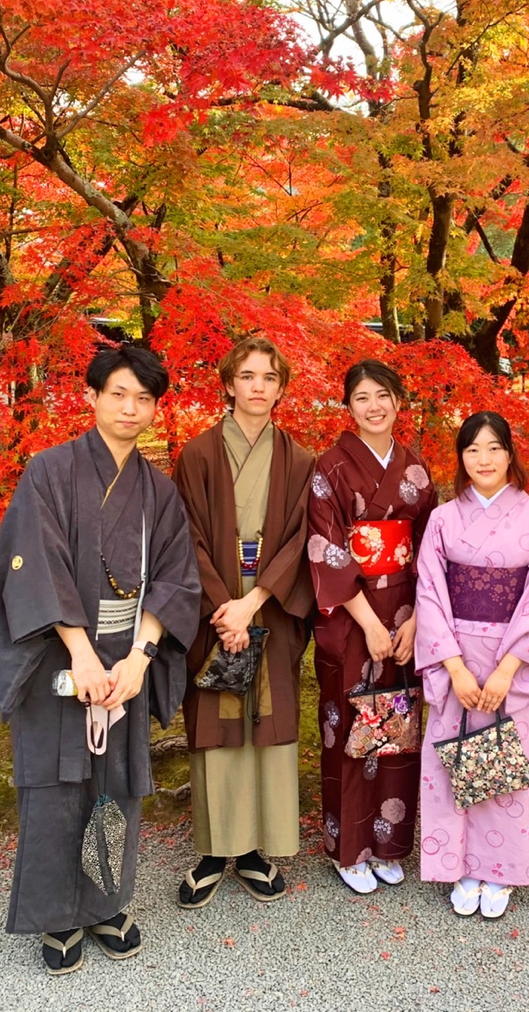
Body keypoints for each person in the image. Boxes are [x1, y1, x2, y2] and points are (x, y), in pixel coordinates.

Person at [0, 346, 201, 975]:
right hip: (60, 655)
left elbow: (175, 579)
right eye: (119, 394)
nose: (131, 409)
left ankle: (106, 904)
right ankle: (55, 916)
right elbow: (36, 565)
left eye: (144, 399)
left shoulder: (157, 490)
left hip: (126, 660)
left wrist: (140, 658)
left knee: (116, 786)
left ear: (156, 409)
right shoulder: (48, 472)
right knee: (56, 786)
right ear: (92, 397)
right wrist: (80, 653)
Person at [172, 337, 315, 909]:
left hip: (270, 607)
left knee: (268, 721)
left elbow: (304, 539)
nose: (258, 386)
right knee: (217, 720)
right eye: (248, 376)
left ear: (281, 388)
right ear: (228, 383)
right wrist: (222, 608)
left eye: (270, 378)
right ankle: (213, 849)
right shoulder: (198, 454)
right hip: (215, 610)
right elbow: (185, 536)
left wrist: (254, 602)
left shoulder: (299, 460)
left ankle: (256, 849)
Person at [414, 412, 529, 919]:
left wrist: (507, 669)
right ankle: (458, 865)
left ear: (510, 455)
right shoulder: (443, 518)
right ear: (461, 459)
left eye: (493, 448)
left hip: (515, 657)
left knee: (506, 764)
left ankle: (499, 869)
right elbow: (430, 594)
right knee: (452, 760)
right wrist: (455, 669)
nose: (483, 459)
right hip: (455, 652)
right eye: (472, 450)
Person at [307, 359, 438, 893]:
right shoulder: (329, 468)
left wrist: (416, 620)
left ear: (399, 401)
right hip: (353, 617)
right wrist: (369, 622)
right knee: (351, 729)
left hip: (406, 609)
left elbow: (432, 550)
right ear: (348, 407)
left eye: (383, 395)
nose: (374, 406)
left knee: (399, 731)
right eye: (361, 397)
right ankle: (349, 849)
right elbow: (326, 551)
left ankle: (388, 842)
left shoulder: (417, 470)